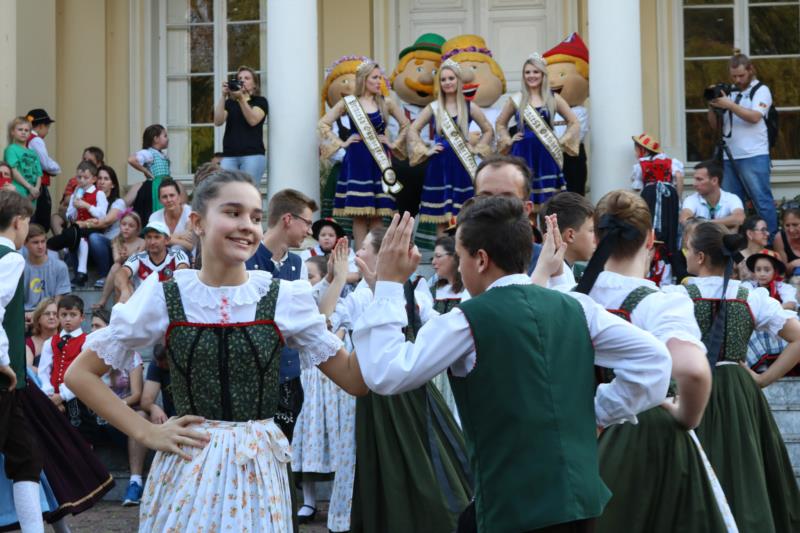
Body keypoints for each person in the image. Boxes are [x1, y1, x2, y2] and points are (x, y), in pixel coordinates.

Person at [64, 169, 367, 532]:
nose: (248, 226)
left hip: (255, 471)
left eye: (255, 217)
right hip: (187, 467)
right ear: (198, 222)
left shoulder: (283, 297)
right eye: (233, 212)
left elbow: (354, 379)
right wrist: (145, 433)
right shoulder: (166, 295)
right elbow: (79, 375)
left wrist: (385, 291)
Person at [352, 198, 672, 532]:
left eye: (460, 257)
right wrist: (597, 413)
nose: (459, 268)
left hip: (511, 508)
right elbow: (655, 362)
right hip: (579, 503)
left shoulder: (467, 321)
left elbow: (386, 374)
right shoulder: (577, 308)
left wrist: (388, 288)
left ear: (480, 260)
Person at [540, 190, 731, 532]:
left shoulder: (566, 299)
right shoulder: (661, 303)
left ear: (596, 237)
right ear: (651, 238)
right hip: (648, 444)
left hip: (569, 444)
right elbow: (693, 370)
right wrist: (687, 417)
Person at [663, 222, 800, 532]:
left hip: (690, 391)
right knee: (744, 472)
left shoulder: (676, 295)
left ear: (698, 256)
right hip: (739, 392)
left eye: (687, 247)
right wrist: (763, 380)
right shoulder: (750, 296)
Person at [335, 225, 471, 533]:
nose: (357, 253)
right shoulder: (359, 295)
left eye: (364, 248)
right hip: (371, 394)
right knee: (380, 465)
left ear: (382, 255)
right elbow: (329, 319)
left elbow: (433, 325)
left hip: (408, 392)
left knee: (422, 461)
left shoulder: (414, 290)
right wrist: (338, 280)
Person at [292, 247, 357, 526]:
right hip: (306, 381)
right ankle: (307, 500)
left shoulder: (341, 305)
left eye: (310, 276)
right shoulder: (295, 307)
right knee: (306, 438)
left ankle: (339, 501)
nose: (307, 282)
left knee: (335, 438)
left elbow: (332, 332)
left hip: (331, 384)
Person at [246, 189, 317, 441]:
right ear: (288, 219)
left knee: (282, 448)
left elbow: (305, 320)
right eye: (307, 223)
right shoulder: (245, 258)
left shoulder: (298, 266)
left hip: (288, 376)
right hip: (251, 379)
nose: (310, 231)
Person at [319, 60, 410, 248]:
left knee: (378, 213)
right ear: (364, 79)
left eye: (380, 78)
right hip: (357, 159)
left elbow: (406, 125)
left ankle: (376, 260)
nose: (379, 82)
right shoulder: (349, 102)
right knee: (359, 216)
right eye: (375, 78)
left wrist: (393, 144)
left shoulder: (387, 103)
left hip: (379, 161)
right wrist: (342, 143)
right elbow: (323, 124)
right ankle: (361, 259)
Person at [0, 190, 45, 533]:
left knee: (26, 456)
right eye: (27, 222)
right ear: (18, 222)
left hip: (10, 380)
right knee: (24, 457)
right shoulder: (12, 259)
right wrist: (2, 360)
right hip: (4, 376)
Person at [408, 59, 493, 233]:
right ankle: (443, 255)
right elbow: (412, 130)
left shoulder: (469, 107)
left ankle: (461, 256)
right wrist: (426, 150)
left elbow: (488, 130)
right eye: (443, 79)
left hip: (462, 165)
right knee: (442, 217)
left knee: (463, 215)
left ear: (459, 80)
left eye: (451, 78)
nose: (447, 82)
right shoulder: (433, 107)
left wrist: (477, 149)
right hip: (440, 165)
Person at [75, 309, 148, 507]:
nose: (93, 331)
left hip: (122, 410)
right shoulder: (90, 354)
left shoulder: (132, 356)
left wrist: (116, 406)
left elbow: (137, 394)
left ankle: (135, 482)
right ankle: (82, 484)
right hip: (96, 414)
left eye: (98, 326)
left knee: (141, 415)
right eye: (92, 326)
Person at [495, 53, 579, 211]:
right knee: (525, 199)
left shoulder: (553, 98)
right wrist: (508, 139)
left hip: (546, 154)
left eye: (535, 72)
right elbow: (500, 123)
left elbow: (573, 122)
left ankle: (547, 234)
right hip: (522, 153)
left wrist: (562, 140)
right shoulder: (516, 99)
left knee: (548, 205)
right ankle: (527, 235)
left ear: (543, 74)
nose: (531, 75)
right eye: (527, 72)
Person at [707, 52, 777, 237]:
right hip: (729, 156)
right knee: (733, 206)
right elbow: (715, 127)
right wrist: (713, 105)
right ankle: (738, 247)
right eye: (734, 76)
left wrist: (729, 105)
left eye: (741, 75)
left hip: (754, 155)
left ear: (751, 70)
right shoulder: (730, 92)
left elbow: (754, 117)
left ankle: (768, 245)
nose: (737, 80)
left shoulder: (761, 90)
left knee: (762, 202)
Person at [630, 132, 685, 285]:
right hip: (669, 197)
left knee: (651, 226)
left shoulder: (641, 165)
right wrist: (678, 199)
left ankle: (652, 262)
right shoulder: (671, 161)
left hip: (650, 195)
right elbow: (679, 177)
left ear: (643, 150)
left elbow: (637, 187)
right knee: (670, 230)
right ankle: (669, 262)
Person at [47, 160, 108, 287]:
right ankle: (81, 273)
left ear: (93, 179)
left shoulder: (99, 194)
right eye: (79, 177)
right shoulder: (76, 193)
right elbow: (69, 216)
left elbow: (102, 215)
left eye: (86, 177)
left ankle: (58, 244)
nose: (82, 180)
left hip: (93, 227)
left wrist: (87, 206)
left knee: (73, 235)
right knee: (79, 238)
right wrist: (75, 207)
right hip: (78, 229)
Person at [430, 234, 468, 422]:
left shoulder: (466, 291)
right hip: (436, 356)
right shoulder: (431, 288)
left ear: (454, 257)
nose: (434, 262)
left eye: (438, 256)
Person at [744, 249, 798, 375]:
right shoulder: (748, 287)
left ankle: (786, 361)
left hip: (776, 324)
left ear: (775, 271)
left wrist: (770, 310)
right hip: (756, 323)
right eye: (758, 270)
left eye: (767, 270)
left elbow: (790, 304)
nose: (762, 273)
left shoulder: (782, 287)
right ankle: (760, 361)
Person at [213, 66, 269, 187]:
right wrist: (223, 96)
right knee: (228, 193)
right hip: (229, 156)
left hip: (252, 155)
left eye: (247, 78)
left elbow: (253, 120)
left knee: (249, 192)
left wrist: (241, 99)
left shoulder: (260, 101)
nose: (242, 80)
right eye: (239, 78)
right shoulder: (230, 103)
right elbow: (218, 121)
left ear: (254, 84)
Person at [115, 221, 189, 304]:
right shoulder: (137, 257)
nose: (152, 242)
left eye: (157, 237)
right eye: (149, 237)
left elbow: (183, 272)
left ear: (167, 240)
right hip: (142, 305)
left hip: (168, 303)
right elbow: (122, 273)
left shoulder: (177, 254)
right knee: (123, 283)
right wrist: (125, 290)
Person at [541, 191, 596, 286]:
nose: (597, 238)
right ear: (570, 235)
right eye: (592, 230)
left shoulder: (577, 270)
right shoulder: (548, 280)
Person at [85, 165, 128, 287]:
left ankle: (104, 275)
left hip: (111, 245)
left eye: (106, 179)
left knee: (94, 238)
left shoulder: (118, 203)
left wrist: (83, 223)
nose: (101, 182)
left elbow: (107, 221)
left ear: (113, 184)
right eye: (99, 178)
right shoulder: (89, 200)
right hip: (91, 248)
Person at [94, 211, 145, 310]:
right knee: (116, 266)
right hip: (121, 273)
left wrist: (129, 256)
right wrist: (122, 257)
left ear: (137, 229)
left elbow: (138, 260)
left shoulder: (142, 242)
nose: (126, 228)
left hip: (136, 273)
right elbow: (116, 260)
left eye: (131, 226)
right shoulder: (116, 241)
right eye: (124, 224)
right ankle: (103, 300)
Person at [679, 160, 744, 231]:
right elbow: (684, 220)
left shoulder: (732, 198)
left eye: (699, 179)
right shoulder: (691, 199)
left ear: (714, 181)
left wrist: (704, 223)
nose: (694, 184)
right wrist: (725, 224)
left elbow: (739, 218)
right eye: (695, 179)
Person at [23, 224, 71, 316]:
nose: (40, 246)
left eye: (43, 241)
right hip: (25, 315)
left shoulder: (60, 266)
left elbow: (59, 302)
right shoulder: (20, 268)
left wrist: (38, 316)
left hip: (51, 315)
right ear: (25, 243)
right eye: (35, 242)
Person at [126, 124, 170, 222]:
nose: (168, 139)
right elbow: (131, 159)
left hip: (166, 184)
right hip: (156, 185)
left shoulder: (161, 154)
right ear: (156, 138)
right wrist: (145, 170)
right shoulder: (149, 153)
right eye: (165, 136)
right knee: (158, 207)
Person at [25, 109, 60, 231]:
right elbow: (45, 163)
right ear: (40, 126)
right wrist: (56, 168)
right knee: (41, 219)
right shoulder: (36, 140)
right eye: (47, 127)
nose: (48, 131)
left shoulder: (26, 139)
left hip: (29, 182)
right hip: (39, 184)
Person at [299, 218, 360, 285]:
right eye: (323, 235)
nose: (327, 238)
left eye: (331, 235)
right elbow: (301, 275)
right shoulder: (308, 253)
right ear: (317, 237)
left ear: (337, 238)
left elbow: (356, 275)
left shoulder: (346, 253)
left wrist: (332, 279)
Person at [148, 178, 194, 253]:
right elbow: (153, 242)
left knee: (177, 248)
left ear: (179, 197)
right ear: (160, 201)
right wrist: (180, 235)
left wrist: (165, 238)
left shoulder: (190, 213)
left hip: (189, 259)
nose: (169, 200)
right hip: (160, 258)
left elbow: (191, 246)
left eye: (172, 195)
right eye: (164, 197)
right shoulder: (154, 217)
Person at [4, 117, 42, 205]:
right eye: (20, 129)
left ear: (29, 134)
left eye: (26, 130)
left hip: (33, 196)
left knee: (31, 218)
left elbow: (39, 174)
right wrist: (30, 187)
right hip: (18, 193)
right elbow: (13, 170)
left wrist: (36, 188)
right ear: (12, 132)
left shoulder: (33, 153)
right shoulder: (11, 149)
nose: (23, 132)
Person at [140, 344, 175, 425]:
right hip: (172, 419)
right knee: (141, 416)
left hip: (195, 416)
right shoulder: (156, 365)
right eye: (156, 360)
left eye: (165, 363)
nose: (158, 365)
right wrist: (153, 408)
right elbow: (145, 401)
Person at [24, 298, 58, 371]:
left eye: (55, 314)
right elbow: (28, 368)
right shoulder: (29, 343)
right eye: (47, 314)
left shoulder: (67, 340)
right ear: (38, 318)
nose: (52, 317)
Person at [737, 215, 770, 281]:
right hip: (743, 290)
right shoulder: (738, 257)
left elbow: (779, 283)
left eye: (767, 230)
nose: (767, 233)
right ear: (749, 234)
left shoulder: (771, 255)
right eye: (763, 230)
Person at [773, 205, 800, 276]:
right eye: (787, 225)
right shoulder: (780, 238)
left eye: (795, 225)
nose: (791, 230)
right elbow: (783, 272)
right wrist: (793, 264)